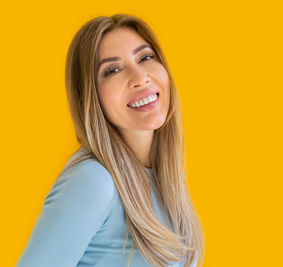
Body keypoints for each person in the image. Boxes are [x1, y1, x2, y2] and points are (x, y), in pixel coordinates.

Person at [17, 13, 205, 267]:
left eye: (145, 57)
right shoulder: (95, 181)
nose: (140, 78)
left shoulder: (168, 174)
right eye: (113, 70)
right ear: (91, 97)